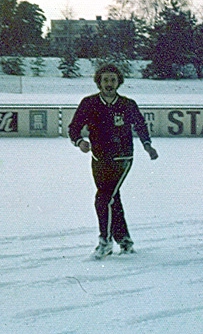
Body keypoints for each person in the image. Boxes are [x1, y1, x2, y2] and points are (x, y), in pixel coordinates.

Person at [69, 63, 158, 259]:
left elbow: (141, 126)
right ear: (99, 82)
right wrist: (79, 142)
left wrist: (147, 145)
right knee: (111, 199)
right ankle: (125, 241)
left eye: (113, 80)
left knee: (102, 199)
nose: (109, 84)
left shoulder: (128, 104)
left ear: (119, 82)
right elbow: (73, 127)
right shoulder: (89, 103)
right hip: (99, 158)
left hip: (122, 158)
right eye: (105, 80)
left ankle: (105, 242)